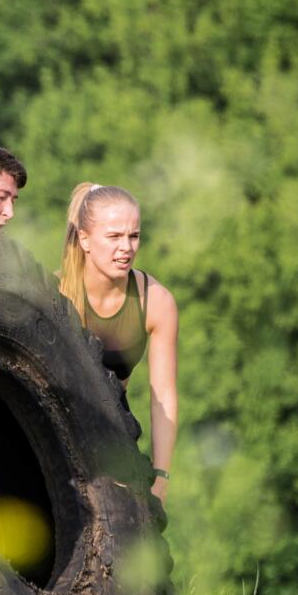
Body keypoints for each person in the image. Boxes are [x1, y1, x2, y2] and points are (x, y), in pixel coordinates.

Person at [57, 183, 178, 505]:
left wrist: (162, 476)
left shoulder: (156, 302)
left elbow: (163, 395)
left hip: (113, 434)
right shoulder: (55, 296)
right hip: (54, 432)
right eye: (114, 237)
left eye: (133, 236)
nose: (126, 248)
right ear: (84, 239)